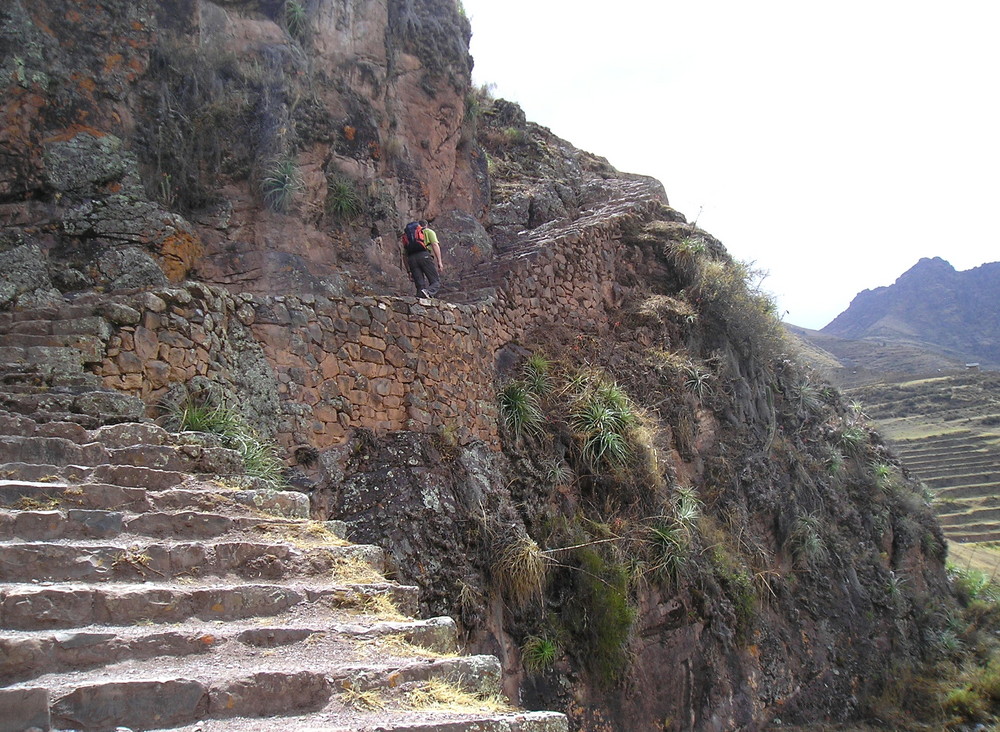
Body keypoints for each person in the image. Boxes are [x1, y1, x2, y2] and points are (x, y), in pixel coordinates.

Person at [402, 219, 443, 298]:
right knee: (435, 282)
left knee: (420, 285)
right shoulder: (428, 232)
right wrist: (439, 261)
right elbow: (435, 245)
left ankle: (419, 302)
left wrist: (409, 271)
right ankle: (427, 292)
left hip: (411, 258)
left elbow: (404, 255)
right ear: (426, 225)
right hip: (424, 256)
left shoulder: (408, 236)